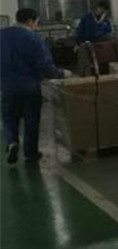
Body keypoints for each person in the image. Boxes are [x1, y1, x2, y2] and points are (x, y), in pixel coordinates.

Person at [1, 8, 68, 165]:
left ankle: (12, 142)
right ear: (30, 21)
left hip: (7, 86)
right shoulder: (34, 38)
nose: (37, 26)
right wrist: (61, 73)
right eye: (37, 22)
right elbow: (44, 65)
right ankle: (30, 154)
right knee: (31, 120)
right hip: (30, 86)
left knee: (9, 117)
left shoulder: (1, 35)